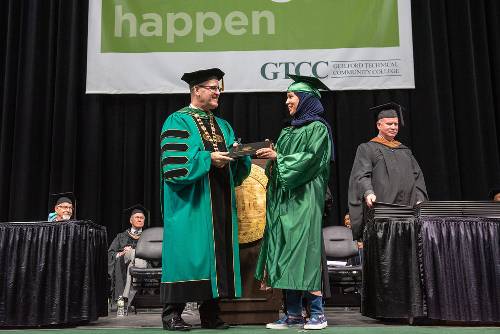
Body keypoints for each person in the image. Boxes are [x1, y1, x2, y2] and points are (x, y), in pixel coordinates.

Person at [160, 68, 251, 331]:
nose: (217, 92)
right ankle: (172, 315)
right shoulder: (177, 121)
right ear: (196, 90)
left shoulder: (223, 125)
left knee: (217, 256)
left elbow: (239, 170)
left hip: (220, 201)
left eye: (219, 88)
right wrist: (208, 158)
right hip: (191, 202)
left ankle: (211, 315)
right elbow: (174, 167)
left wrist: (242, 154)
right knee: (186, 255)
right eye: (212, 87)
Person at [255, 75, 334, 330]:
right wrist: (271, 158)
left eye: (291, 96)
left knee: (304, 252)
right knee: (285, 251)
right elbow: (279, 164)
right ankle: (292, 313)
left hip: (305, 199)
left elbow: (312, 161)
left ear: (306, 99)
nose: (287, 101)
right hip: (284, 200)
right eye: (287, 97)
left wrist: (279, 157)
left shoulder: (319, 129)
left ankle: (317, 314)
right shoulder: (288, 131)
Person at [348, 102, 428, 240]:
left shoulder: (405, 151)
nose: (393, 127)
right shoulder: (367, 148)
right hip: (383, 209)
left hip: (407, 210)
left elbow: (417, 176)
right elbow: (361, 175)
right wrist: (368, 192)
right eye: (389, 124)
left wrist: (420, 198)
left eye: (396, 124)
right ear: (379, 125)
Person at [107, 204, 149, 313]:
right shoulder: (121, 236)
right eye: (137, 217)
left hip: (142, 263)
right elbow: (111, 253)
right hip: (123, 264)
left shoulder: (148, 236)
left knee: (134, 262)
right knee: (127, 257)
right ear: (131, 220)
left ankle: (123, 298)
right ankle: (126, 299)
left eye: (142, 218)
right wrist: (121, 254)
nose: (140, 220)